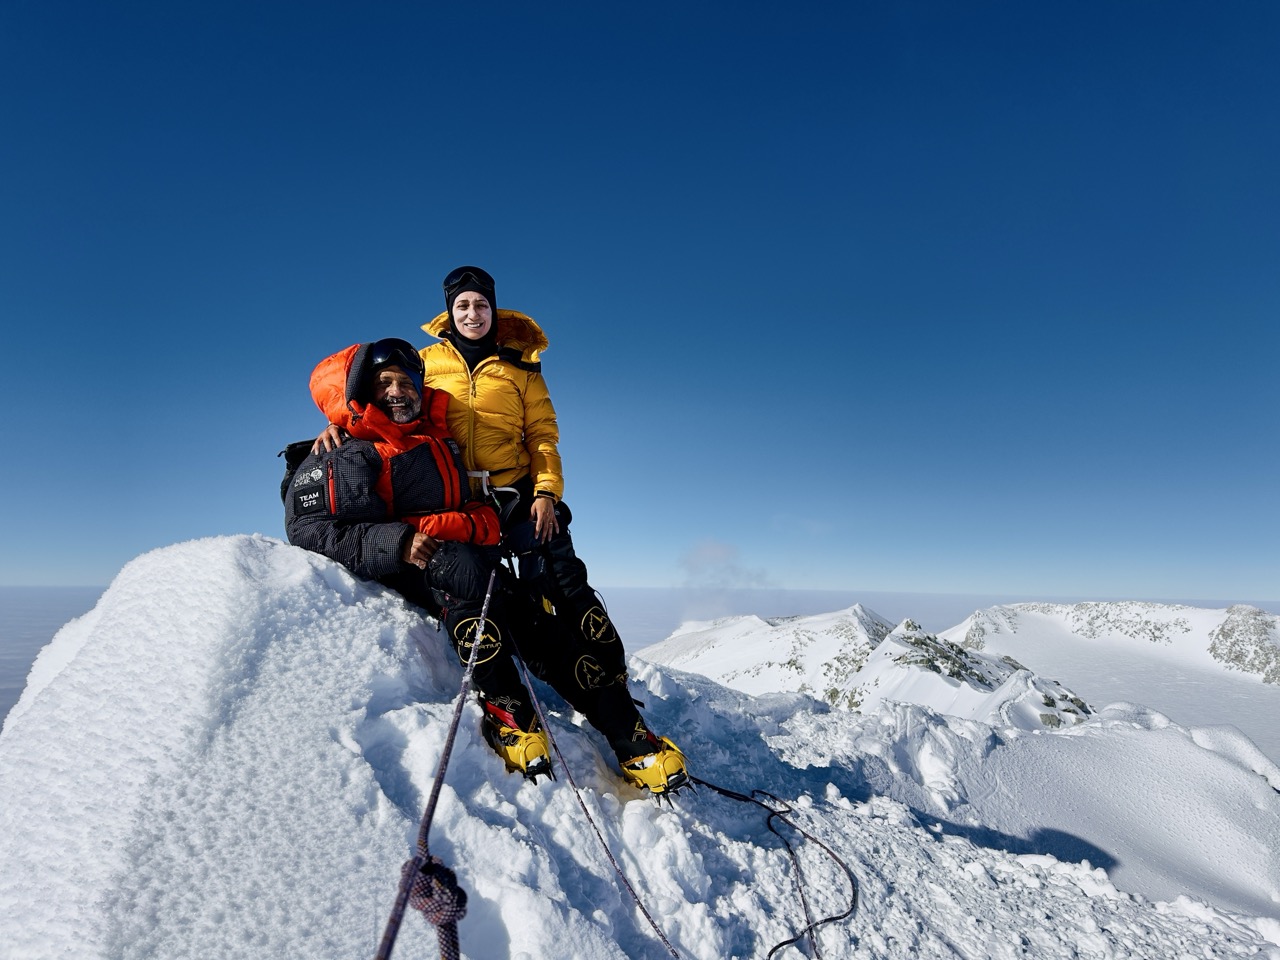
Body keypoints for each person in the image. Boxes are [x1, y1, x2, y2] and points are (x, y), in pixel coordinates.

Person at [292, 337, 687, 794]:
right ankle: (508, 710)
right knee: (470, 581)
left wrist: (493, 516)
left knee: (543, 628)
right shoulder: (350, 450)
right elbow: (309, 527)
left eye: (406, 381)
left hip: (472, 560)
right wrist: (396, 541)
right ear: (363, 392)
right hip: (423, 568)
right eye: (385, 384)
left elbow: (468, 495)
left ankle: (633, 739)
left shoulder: (435, 439)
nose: (398, 391)